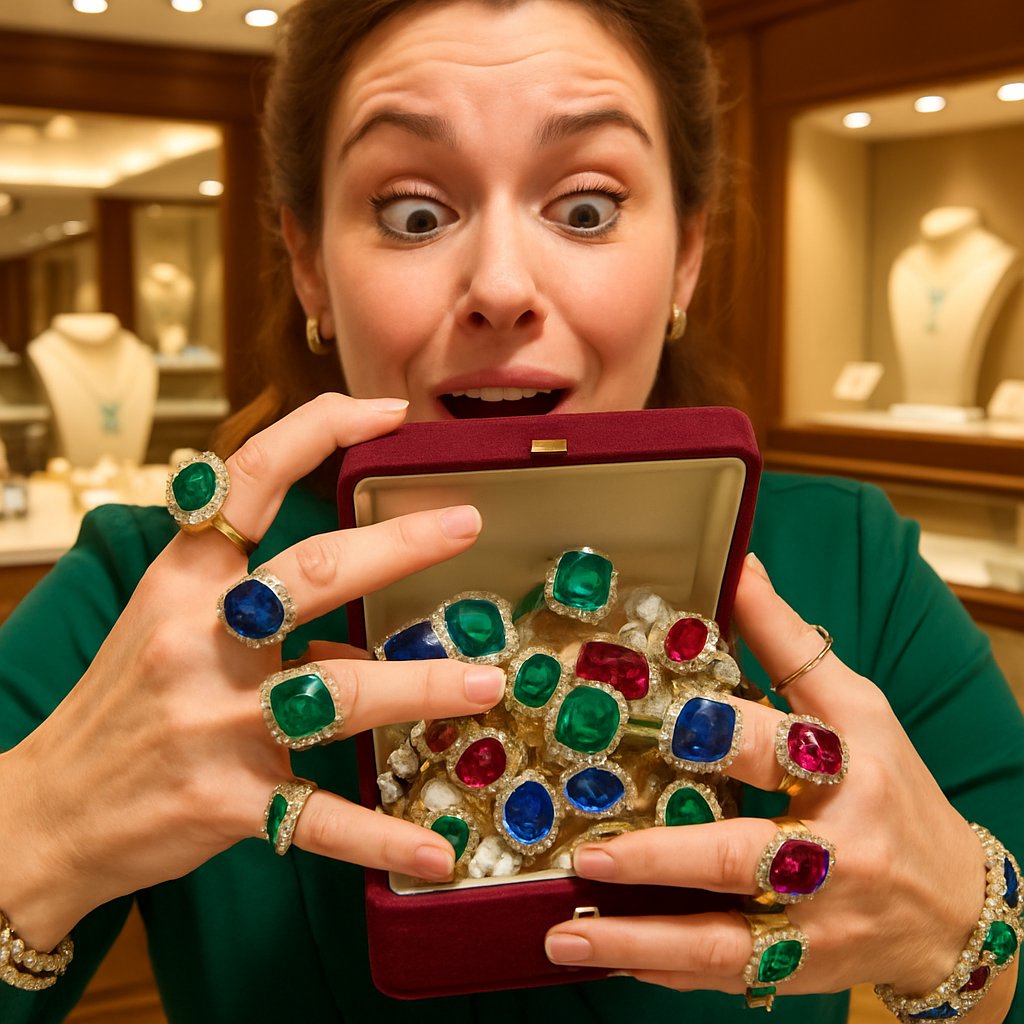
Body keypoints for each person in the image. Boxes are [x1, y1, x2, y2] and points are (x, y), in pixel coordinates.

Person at [1, 0, 1021, 1021]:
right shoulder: (151, 607)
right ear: (309, 262)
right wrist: (42, 833)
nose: (499, 285)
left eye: (587, 208)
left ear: (688, 252)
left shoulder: (853, 563)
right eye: (413, 214)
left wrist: (950, 926)